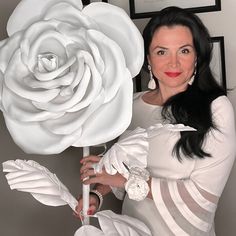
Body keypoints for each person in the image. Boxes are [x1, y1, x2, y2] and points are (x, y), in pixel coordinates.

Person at [75, 6, 236, 236]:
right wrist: (97, 193)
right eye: (162, 52)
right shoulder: (131, 105)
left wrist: (123, 180)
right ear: (148, 58)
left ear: (197, 56)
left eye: (184, 51)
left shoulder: (216, 109)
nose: (173, 63)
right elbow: (121, 168)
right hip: (130, 229)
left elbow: (201, 200)